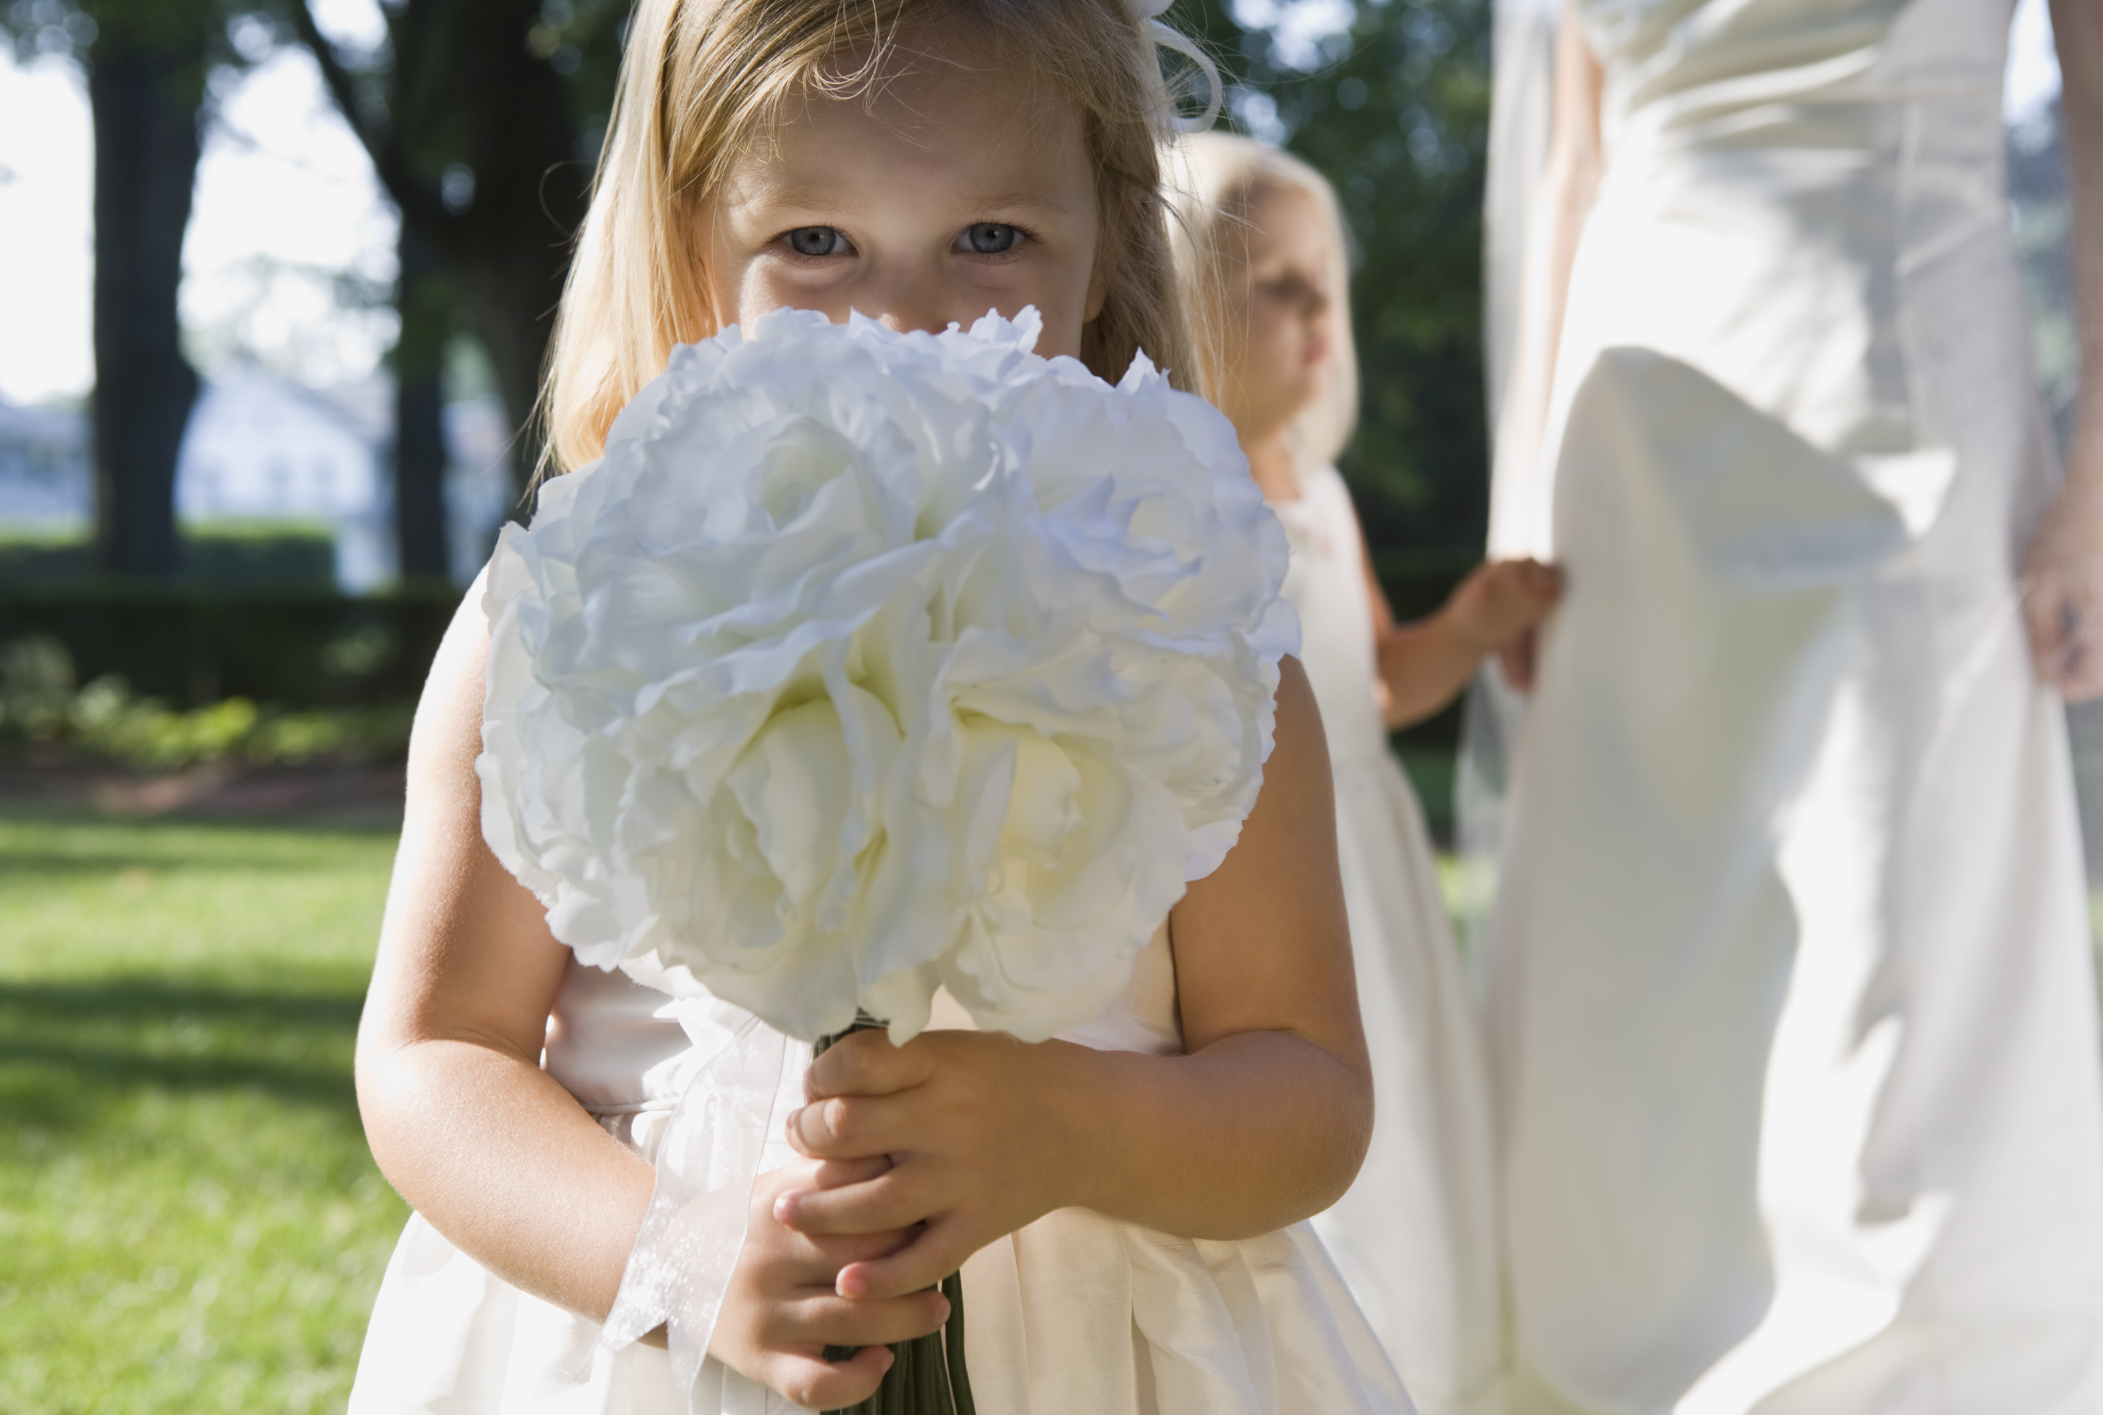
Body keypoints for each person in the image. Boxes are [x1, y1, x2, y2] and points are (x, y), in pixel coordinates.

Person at [344, 1, 1415, 1412]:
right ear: (686, 248)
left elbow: (1308, 1094)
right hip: (672, 1348)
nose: (904, 320)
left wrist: (1078, 1123)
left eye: (989, 240)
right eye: (814, 244)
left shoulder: (1190, 615)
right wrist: (678, 1258)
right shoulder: (575, 604)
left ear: (1103, 248)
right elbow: (436, 1054)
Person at [1483, 0, 2103, 1410]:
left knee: (1891, 911)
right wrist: (1521, 503)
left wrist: (2098, 471)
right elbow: (1567, 164)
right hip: (1630, 425)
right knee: (1643, 935)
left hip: (1894, 381)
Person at [1168, 134, 1558, 1415]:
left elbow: (1379, 681)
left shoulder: (1319, 493)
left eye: (1324, 283)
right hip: (1280, 877)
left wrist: (1469, 626)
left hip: (1373, 864)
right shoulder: (1174, 499)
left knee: (1404, 1117)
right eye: (1277, 284)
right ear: (1184, 299)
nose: (1319, 314)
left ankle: (1432, 1364)